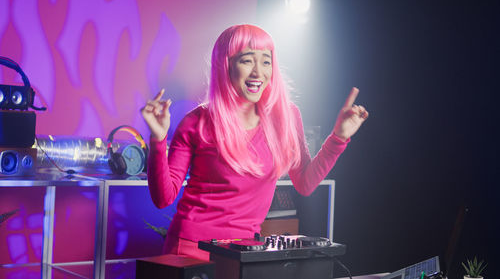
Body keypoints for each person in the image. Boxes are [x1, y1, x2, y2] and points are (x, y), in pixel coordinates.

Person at [141, 24, 368, 261]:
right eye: (247, 60)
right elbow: (163, 198)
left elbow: (305, 183)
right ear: (226, 65)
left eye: (266, 61)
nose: (258, 72)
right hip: (190, 248)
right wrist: (158, 139)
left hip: (244, 253)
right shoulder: (196, 121)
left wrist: (338, 138)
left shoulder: (286, 117)